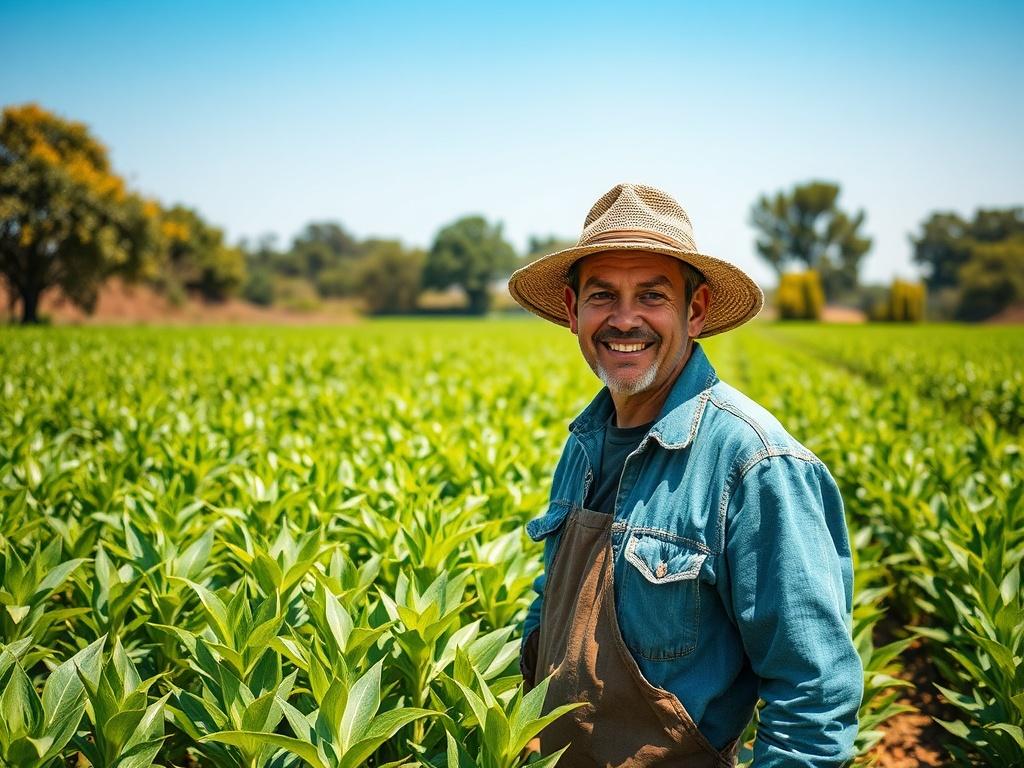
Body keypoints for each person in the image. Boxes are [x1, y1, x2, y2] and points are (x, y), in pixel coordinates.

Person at [507, 183, 863, 767]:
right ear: (573, 312)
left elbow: (813, 698)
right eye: (602, 296)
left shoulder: (755, 464)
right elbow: (553, 609)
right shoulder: (583, 444)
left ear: (693, 312)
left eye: (652, 295)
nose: (625, 320)